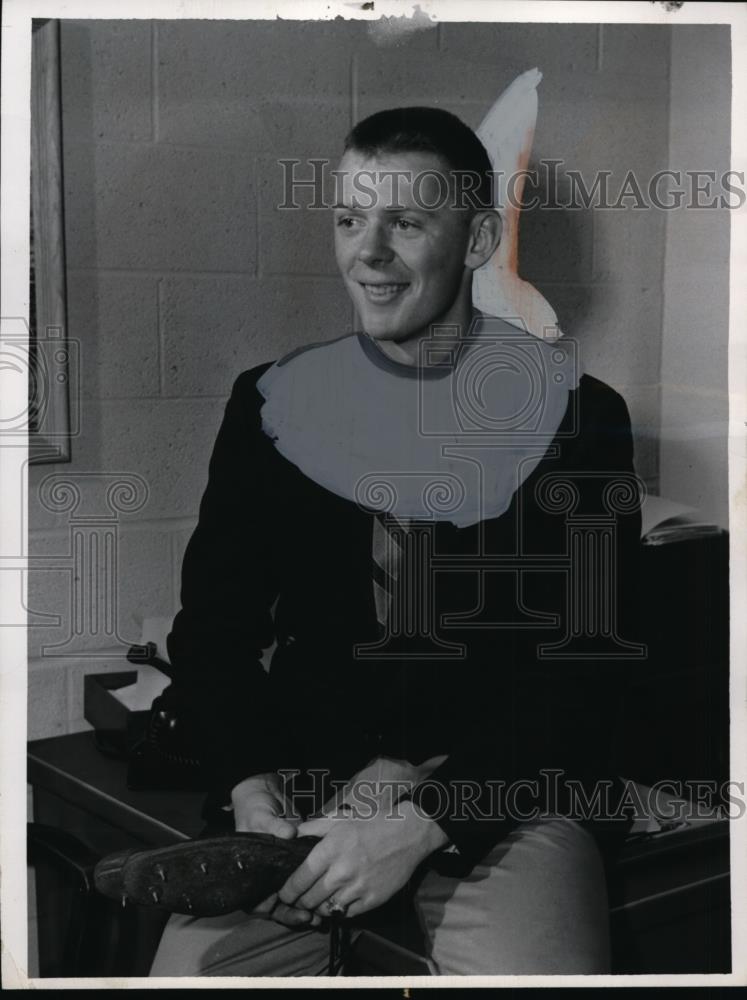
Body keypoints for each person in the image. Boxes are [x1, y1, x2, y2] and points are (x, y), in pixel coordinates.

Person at [150, 107, 642, 977]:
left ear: (478, 237)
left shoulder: (578, 417)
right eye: (348, 219)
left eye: (405, 222)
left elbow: (587, 670)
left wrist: (423, 816)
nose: (365, 253)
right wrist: (247, 783)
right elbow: (213, 630)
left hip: (503, 792)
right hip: (308, 789)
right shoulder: (268, 406)